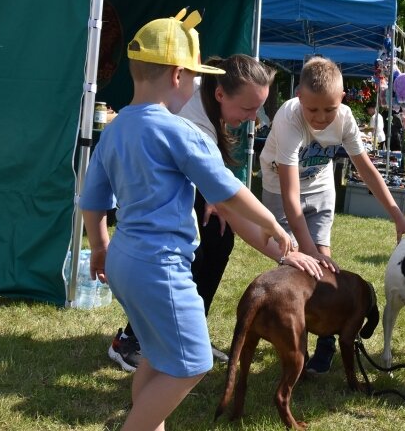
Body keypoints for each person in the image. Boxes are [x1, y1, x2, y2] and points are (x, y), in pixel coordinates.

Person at [79, 9, 314, 430]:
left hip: (124, 262)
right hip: (161, 266)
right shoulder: (179, 132)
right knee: (192, 363)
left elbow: (93, 199)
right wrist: (276, 227)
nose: (198, 86)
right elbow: (230, 191)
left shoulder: (113, 129)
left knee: (157, 355)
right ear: (177, 77)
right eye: (195, 78)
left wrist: (99, 246)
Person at [108, 55, 325, 372]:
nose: (254, 119)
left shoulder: (212, 94)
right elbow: (231, 203)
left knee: (218, 236)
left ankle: (186, 331)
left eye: (259, 109)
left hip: (161, 200)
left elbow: (227, 200)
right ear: (221, 94)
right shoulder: (195, 126)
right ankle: (132, 340)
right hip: (150, 214)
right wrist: (284, 251)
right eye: (249, 109)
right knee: (179, 253)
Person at [259, 56, 405, 373]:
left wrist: (396, 214)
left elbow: (366, 169)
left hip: (320, 187)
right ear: (299, 97)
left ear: (342, 101)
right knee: (297, 268)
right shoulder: (288, 119)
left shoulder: (346, 119)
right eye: (313, 110)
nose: (321, 118)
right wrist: (304, 251)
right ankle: (297, 339)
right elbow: (291, 197)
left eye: (329, 109)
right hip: (281, 192)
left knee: (323, 264)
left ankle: (327, 339)